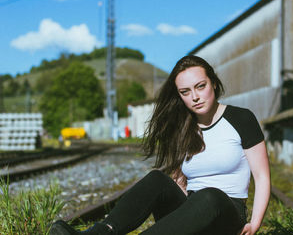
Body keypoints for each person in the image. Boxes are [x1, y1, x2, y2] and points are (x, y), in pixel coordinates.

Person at [50, 55, 271, 235]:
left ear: (213, 82)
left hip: (225, 217)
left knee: (209, 195)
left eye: (200, 86)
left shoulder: (241, 119)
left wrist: (255, 223)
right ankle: (99, 233)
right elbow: (179, 182)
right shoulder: (183, 127)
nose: (195, 97)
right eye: (186, 92)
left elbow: (262, 177)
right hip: (190, 214)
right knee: (157, 178)